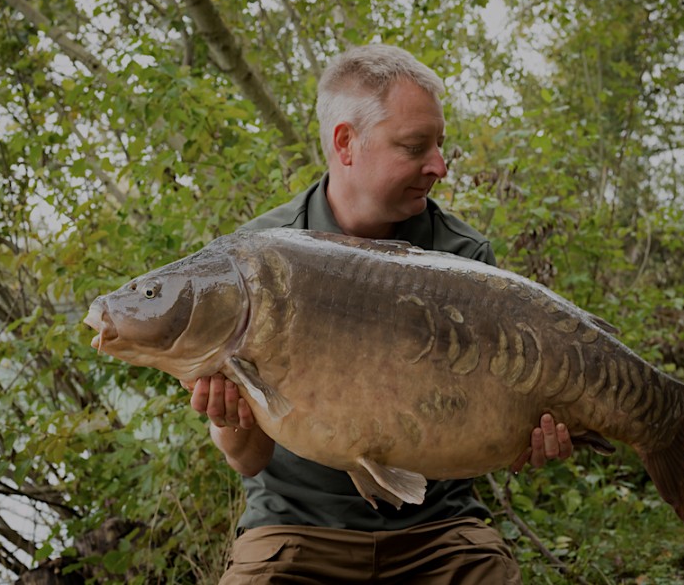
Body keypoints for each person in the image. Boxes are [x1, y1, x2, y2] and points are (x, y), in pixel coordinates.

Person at [185, 44, 573, 584]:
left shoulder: (461, 257)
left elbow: (493, 427)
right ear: (347, 142)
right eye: (415, 147)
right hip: (297, 532)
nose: (439, 166)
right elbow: (248, 462)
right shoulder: (249, 264)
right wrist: (227, 421)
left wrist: (523, 433)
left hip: (439, 530)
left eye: (440, 144)